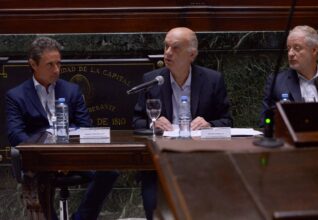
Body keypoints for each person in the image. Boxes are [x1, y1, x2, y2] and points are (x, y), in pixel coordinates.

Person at [5, 37, 118, 220]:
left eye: (59, 63)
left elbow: (85, 127)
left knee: (110, 170)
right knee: (34, 179)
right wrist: (51, 158)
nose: (56, 70)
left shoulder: (71, 90)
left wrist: (67, 158)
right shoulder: (16, 96)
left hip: (74, 156)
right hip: (40, 161)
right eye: (50, 65)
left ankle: (81, 218)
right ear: (33, 64)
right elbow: (15, 134)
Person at [133, 27, 232, 219]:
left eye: (175, 48)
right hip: (160, 164)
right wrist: (153, 124)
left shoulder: (212, 80)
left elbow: (227, 120)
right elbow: (136, 121)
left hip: (201, 164)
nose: (168, 52)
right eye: (166, 46)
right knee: (152, 207)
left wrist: (209, 124)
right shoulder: (152, 81)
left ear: (192, 55)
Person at [260, 25, 318, 125]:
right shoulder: (276, 82)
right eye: (289, 48)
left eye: (297, 48)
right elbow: (265, 123)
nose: (290, 53)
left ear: (314, 51)